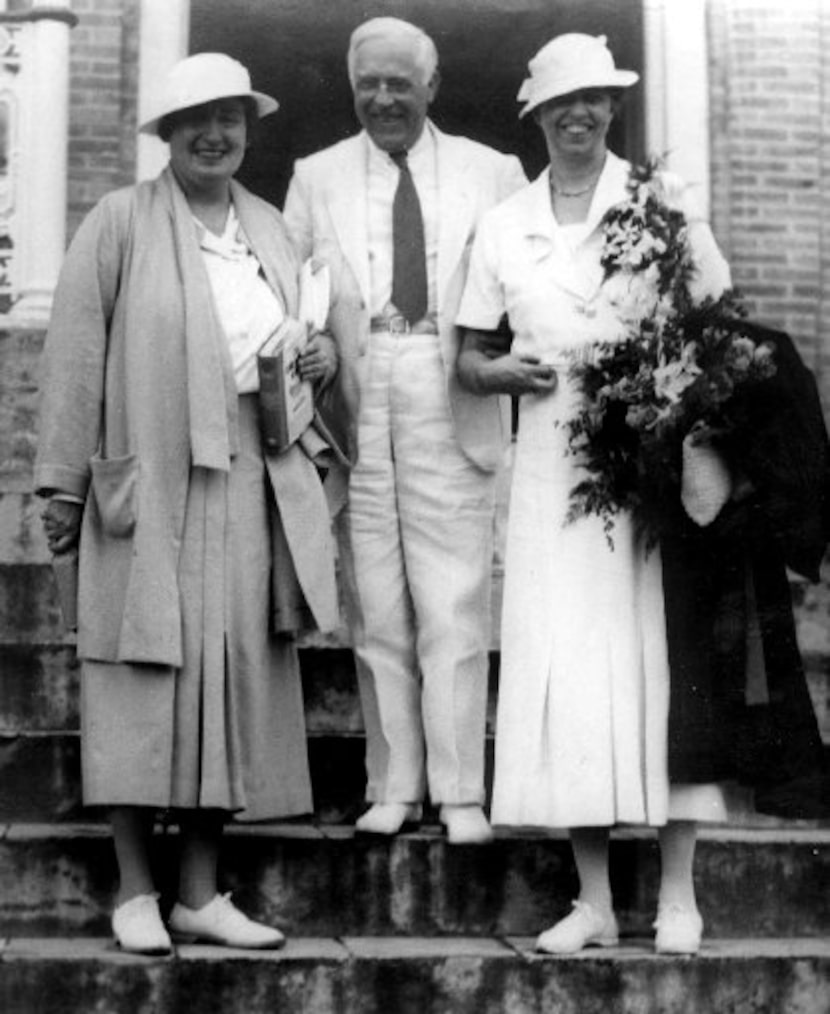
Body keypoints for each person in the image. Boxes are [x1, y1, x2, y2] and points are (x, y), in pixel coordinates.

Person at [34, 53, 340, 955]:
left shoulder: (272, 231)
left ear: (249, 127)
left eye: (231, 118)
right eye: (196, 118)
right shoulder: (120, 222)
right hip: (152, 476)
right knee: (139, 676)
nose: (216, 134)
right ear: (167, 134)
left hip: (250, 479)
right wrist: (62, 483)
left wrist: (318, 366)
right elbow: (75, 356)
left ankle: (200, 894)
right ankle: (135, 890)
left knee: (232, 679)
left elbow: (293, 351)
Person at [456, 33, 747, 955]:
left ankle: (678, 896)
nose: (577, 115)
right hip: (551, 471)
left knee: (666, 667)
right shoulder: (504, 224)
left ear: (612, 110)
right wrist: (505, 373)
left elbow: (717, 322)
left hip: (654, 468)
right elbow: (466, 356)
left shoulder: (661, 203)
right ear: (535, 116)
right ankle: (591, 899)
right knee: (568, 671)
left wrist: (673, 397)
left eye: (594, 100)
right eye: (560, 103)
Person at [284, 17, 527, 843]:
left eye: (399, 83)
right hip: (358, 387)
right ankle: (393, 784)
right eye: (368, 84)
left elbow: (521, 293)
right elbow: (293, 296)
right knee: (377, 601)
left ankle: (461, 793)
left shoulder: (492, 173)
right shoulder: (314, 176)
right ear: (353, 86)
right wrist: (311, 341)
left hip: (448, 376)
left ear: (432, 86)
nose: (383, 98)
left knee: (454, 598)